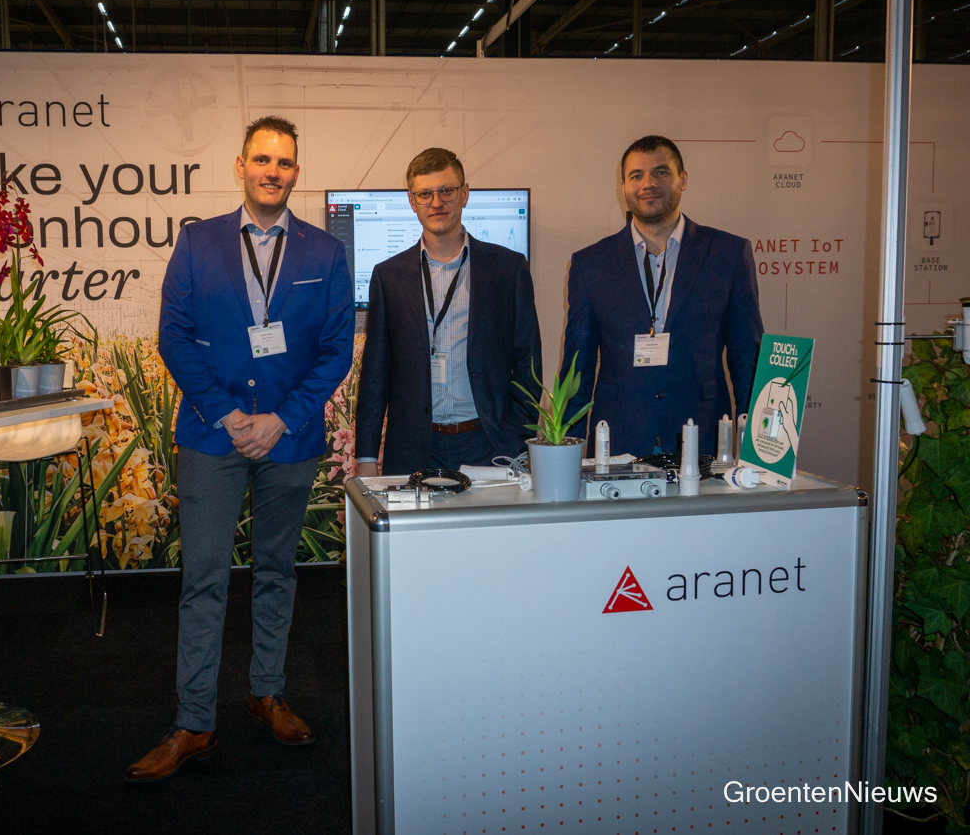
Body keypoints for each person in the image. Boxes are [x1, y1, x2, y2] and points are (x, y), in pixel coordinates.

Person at [127, 116, 354, 782]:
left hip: (290, 438)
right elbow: (173, 336)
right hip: (212, 436)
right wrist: (228, 415)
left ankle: (267, 693)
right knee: (203, 578)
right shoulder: (198, 242)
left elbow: (336, 349)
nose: (272, 171)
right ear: (240, 166)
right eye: (262, 159)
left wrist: (281, 419)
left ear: (295, 173)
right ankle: (194, 721)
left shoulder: (324, 252)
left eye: (283, 162)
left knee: (278, 571)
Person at [560, 135, 763, 458]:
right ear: (623, 187)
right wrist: (565, 455)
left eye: (661, 172)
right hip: (617, 438)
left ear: (683, 179)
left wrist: (756, 448)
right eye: (636, 176)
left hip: (703, 435)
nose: (648, 184)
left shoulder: (728, 254)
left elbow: (747, 358)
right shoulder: (590, 264)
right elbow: (577, 370)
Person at [354, 148, 542, 476]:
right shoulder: (388, 276)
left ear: (465, 193)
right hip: (414, 448)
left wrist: (516, 435)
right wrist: (367, 457)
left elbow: (528, 361)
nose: (436, 202)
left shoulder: (507, 268)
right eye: (425, 194)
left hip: (489, 444)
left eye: (447, 191)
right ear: (412, 201)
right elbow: (375, 375)